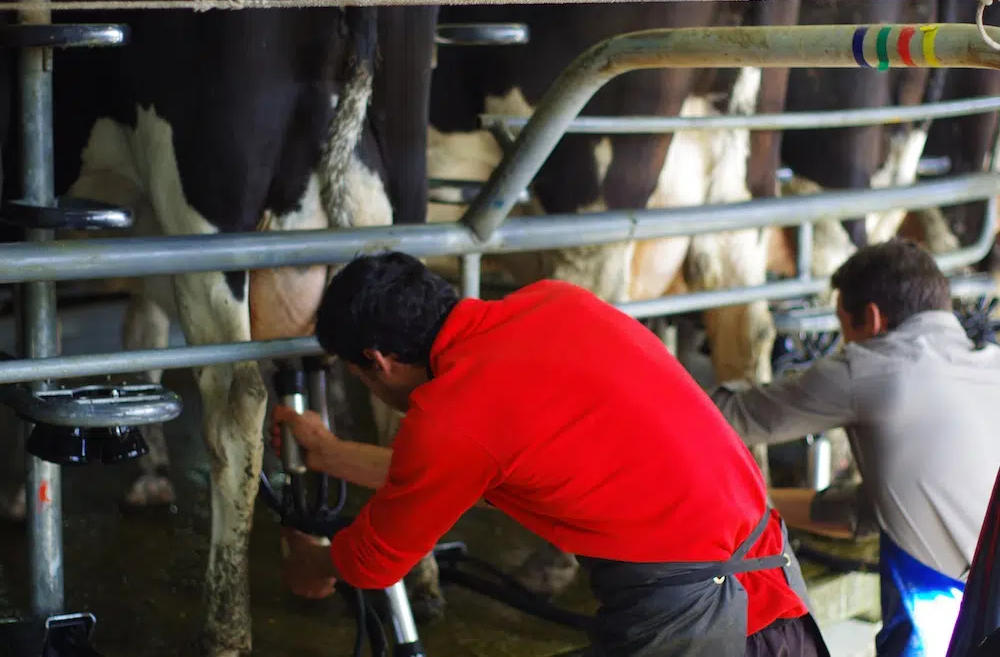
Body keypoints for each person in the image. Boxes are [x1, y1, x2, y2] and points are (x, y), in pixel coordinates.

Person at [273, 250, 829, 656]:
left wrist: (316, 564)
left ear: (378, 361)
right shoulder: (556, 302)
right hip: (772, 576)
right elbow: (457, 474)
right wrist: (328, 453)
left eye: (360, 377)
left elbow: (375, 561)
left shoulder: (451, 412)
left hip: (697, 615)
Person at [709, 239, 1000, 657]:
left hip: (955, 610)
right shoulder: (992, 364)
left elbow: (733, 417)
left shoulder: (870, 368)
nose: (847, 346)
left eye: (845, 330)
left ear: (873, 319)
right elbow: (873, 510)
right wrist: (765, 505)